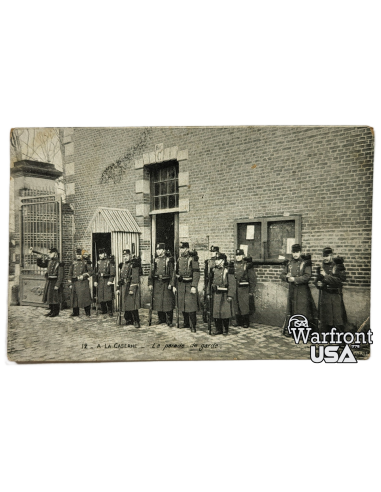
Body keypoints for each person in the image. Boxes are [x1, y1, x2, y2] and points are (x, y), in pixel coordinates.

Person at [280, 243, 314, 336]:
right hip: (292, 290)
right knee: (292, 309)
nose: (295, 254)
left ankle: (303, 332)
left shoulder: (305, 263)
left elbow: (307, 276)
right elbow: (282, 275)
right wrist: (286, 277)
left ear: (300, 252)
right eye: (293, 252)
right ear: (291, 252)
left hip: (302, 290)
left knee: (302, 310)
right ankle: (292, 330)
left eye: (297, 252)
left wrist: (295, 279)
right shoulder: (289, 263)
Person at [315, 247, 347, 336]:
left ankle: (341, 339)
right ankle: (327, 338)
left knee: (337, 318)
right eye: (324, 256)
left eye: (327, 256)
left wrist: (325, 276)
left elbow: (340, 281)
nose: (325, 258)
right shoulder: (321, 266)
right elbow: (317, 280)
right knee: (326, 318)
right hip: (325, 295)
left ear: (331, 255)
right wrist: (318, 284)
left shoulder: (338, 266)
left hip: (335, 295)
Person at [174, 242, 200, 332]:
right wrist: (175, 285)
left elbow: (196, 273)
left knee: (191, 305)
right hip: (181, 284)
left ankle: (193, 325)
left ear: (188, 249)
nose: (182, 250)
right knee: (183, 304)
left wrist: (194, 286)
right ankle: (186, 323)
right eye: (181, 248)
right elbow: (176, 272)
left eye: (184, 248)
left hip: (189, 284)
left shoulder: (193, 259)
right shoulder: (179, 259)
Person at [148, 243, 175, 326]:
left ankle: (169, 320)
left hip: (166, 283)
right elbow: (151, 273)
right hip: (157, 283)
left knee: (167, 302)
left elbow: (172, 273)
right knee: (158, 301)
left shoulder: (168, 260)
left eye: (159, 249)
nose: (158, 251)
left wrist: (171, 283)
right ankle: (161, 319)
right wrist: (150, 283)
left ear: (163, 250)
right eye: (157, 249)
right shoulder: (155, 260)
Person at [209, 252, 236, 336]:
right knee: (216, 312)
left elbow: (232, 284)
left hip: (225, 294)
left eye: (219, 260)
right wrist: (208, 292)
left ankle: (226, 329)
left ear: (223, 261)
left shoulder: (228, 270)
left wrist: (230, 295)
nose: (217, 262)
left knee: (225, 313)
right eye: (216, 260)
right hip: (216, 293)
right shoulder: (214, 270)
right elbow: (209, 282)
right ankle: (218, 329)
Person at [117, 249, 142, 328]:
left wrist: (132, 289)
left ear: (130, 256)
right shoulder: (123, 265)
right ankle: (128, 319)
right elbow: (120, 277)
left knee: (132, 304)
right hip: (124, 286)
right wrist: (118, 287)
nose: (125, 257)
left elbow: (135, 278)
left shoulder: (133, 265)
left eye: (127, 256)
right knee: (125, 303)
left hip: (130, 286)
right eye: (124, 256)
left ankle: (136, 320)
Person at [36, 247, 64, 317]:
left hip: (55, 282)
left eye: (50, 253)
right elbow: (41, 265)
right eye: (49, 253)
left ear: (54, 253)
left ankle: (55, 312)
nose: (49, 254)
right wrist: (39, 258)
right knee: (49, 297)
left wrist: (57, 285)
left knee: (55, 298)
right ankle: (51, 311)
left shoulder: (59, 263)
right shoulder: (49, 261)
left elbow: (61, 275)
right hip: (49, 281)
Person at [233, 249, 257, 328]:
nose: (238, 257)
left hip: (244, 288)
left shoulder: (247, 265)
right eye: (237, 255)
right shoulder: (233, 265)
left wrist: (251, 290)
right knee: (236, 304)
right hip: (235, 287)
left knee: (244, 305)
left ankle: (246, 322)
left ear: (243, 256)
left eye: (240, 255)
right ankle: (238, 321)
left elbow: (252, 279)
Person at [68, 248, 93, 317]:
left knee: (85, 298)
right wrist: (70, 283)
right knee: (74, 298)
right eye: (77, 254)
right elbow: (70, 274)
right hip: (75, 283)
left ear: (81, 255)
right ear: (75, 255)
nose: (78, 256)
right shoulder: (73, 263)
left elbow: (91, 272)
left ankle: (87, 312)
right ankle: (75, 312)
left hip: (83, 283)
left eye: (79, 255)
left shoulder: (85, 262)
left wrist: (84, 275)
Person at [94, 248, 116, 317]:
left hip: (107, 281)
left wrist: (110, 281)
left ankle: (110, 311)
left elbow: (112, 273)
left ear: (105, 254)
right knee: (101, 296)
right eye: (99, 254)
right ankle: (104, 310)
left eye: (101, 254)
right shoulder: (98, 262)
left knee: (108, 296)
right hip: (100, 281)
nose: (100, 255)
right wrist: (95, 281)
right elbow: (95, 273)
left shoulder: (109, 262)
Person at [203, 245, 219, 323]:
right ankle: (207, 316)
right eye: (212, 252)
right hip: (208, 282)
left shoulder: (219, 261)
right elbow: (205, 273)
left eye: (214, 252)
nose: (213, 253)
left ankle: (215, 316)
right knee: (207, 300)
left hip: (216, 283)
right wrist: (205, 284)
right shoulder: (208, 261)